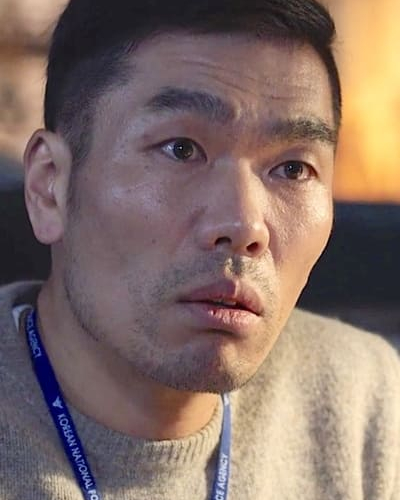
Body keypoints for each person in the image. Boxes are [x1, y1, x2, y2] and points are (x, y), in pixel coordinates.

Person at [1, 0, 399, 498]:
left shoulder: (364, 397)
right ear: (49, 185)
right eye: (182, 149)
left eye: (293, 169)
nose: (244, 225)